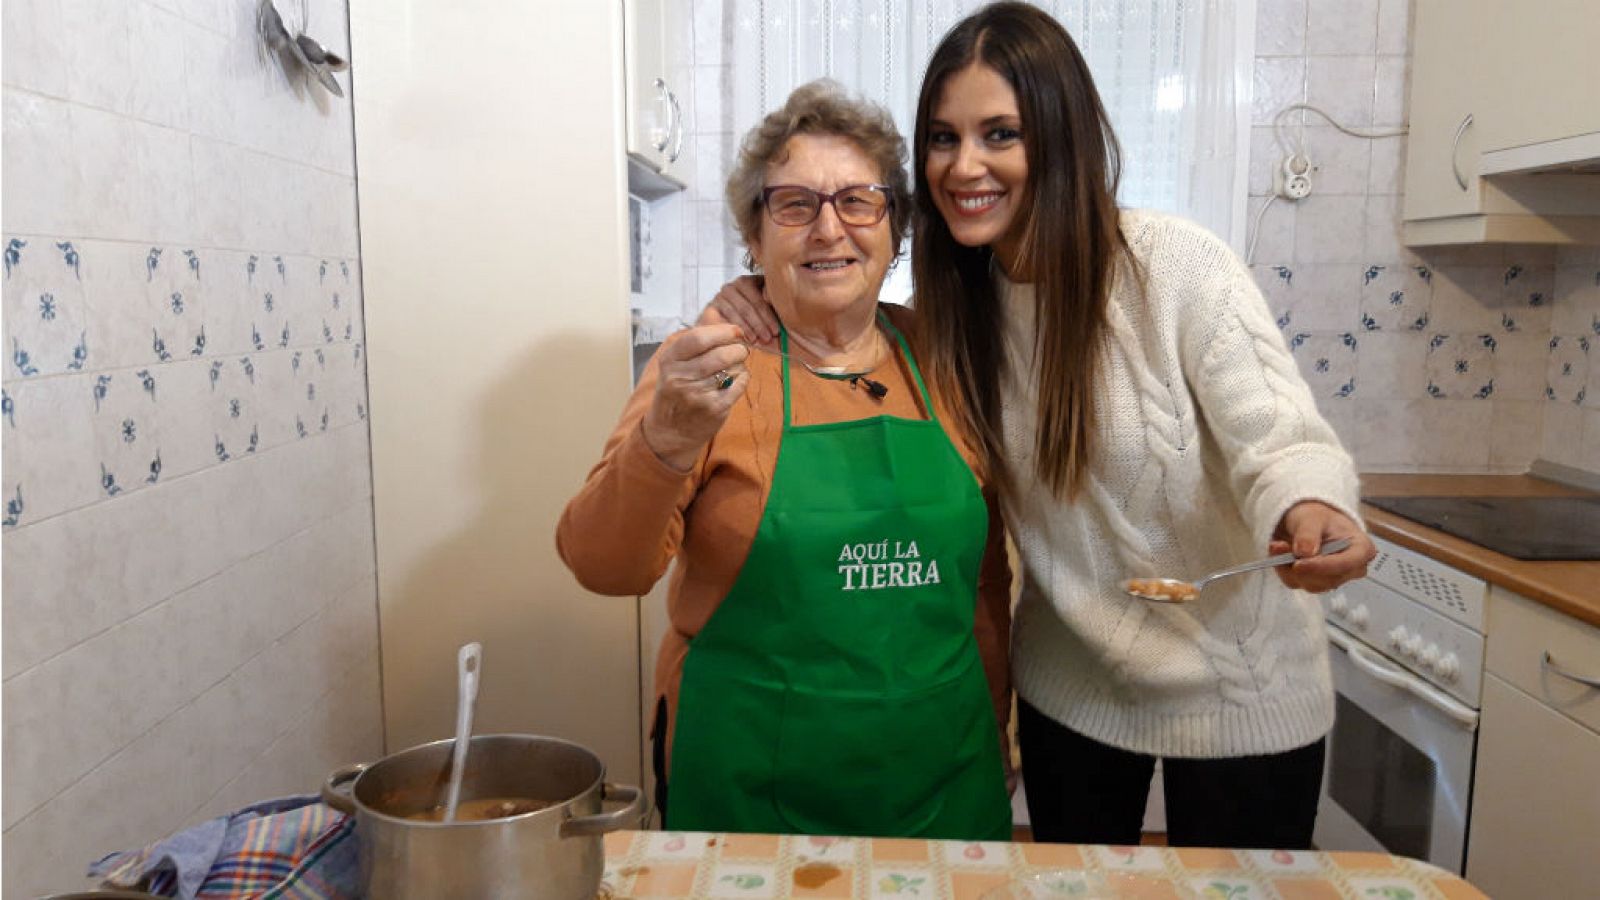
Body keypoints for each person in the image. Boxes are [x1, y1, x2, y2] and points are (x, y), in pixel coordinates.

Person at [706, 2, 1377, 851]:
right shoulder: (954, 317)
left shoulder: (1173, 266)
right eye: (943, 138)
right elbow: (823, 301)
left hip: (1239, 691)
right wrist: (752, 295)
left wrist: (1308, 505)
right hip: (1073, 691)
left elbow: (1279, 435)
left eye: (1000, 134)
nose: (965, 165)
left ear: (1059, 140)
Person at [556, 81, 1014, 840]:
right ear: (755, 236)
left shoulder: (949, 356)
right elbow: (604, 566)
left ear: (895, 230)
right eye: (795, 205)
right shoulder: (704, 367)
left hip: (944, 770)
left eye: (859, 201)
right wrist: (665, 441)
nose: (828, 228)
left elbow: (985, 582)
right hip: (751, 785)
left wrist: (999, 721)